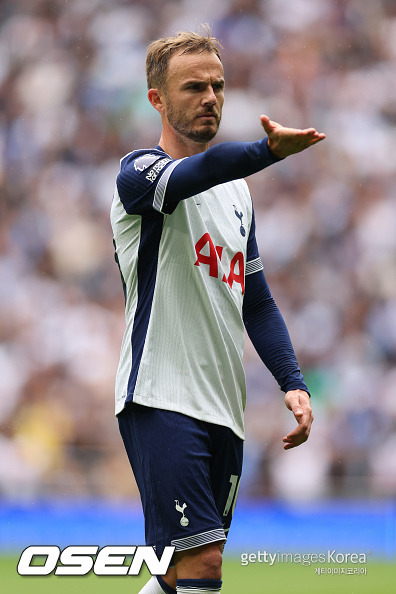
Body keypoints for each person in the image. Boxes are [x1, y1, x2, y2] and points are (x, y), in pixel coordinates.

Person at [111, 27, 324, 594]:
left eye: (218, 86)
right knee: (205, 565)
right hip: (160, 394)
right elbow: (198, 173)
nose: (210, 98)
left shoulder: (238, 197)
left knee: (180, 575)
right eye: (193, 87)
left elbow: (255, 298)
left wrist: (292, 380)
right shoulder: (139, 175)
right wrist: (266, 153)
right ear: (157, 99)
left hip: (222, 405)